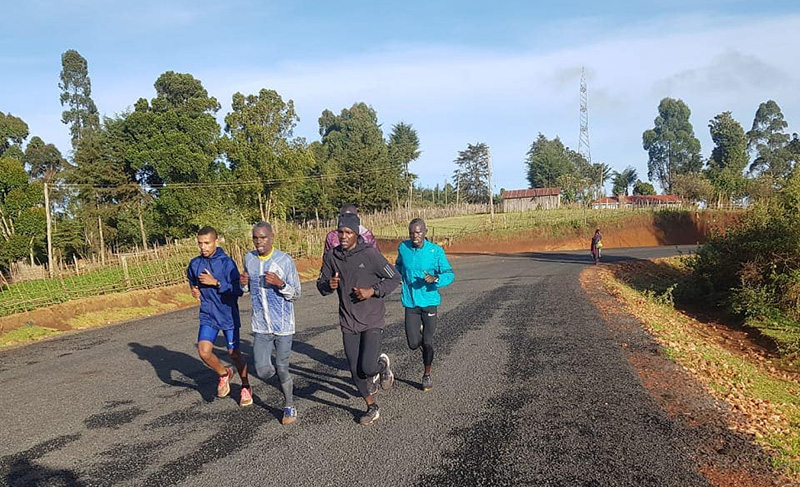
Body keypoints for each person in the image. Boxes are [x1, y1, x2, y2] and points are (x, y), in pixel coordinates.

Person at [317, 213, 401, 425]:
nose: (343, 236)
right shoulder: (331, 256)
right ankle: (371, 407)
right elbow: (322, 284)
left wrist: (372, 291)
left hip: (372, 318)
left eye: (348, 232)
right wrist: (329, 285)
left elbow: (394, 277)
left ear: (356, 234)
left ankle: (382, 366)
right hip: (348, 321)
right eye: (340, 232)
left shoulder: (370, 254)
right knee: (355, 370)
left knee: (367, 367)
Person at [240, 222, 301, 425]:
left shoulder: (284, 261)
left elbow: (296, 293)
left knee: (282, 367)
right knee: (263, 371)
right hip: (261, 325)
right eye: (255, 238)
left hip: (283, 325)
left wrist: (280, 284)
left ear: (272, 237)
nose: (259, 242)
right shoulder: (248, 259)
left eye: (263, 237)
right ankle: (285, 382)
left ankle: (289, 405)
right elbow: (247, 291)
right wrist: (243, 284)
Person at [186, 226, 250, 406]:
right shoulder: (195, 264)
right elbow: (192, 281)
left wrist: (216, 283)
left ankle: (246, 386)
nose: (203, 247)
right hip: (208, 314)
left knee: (234, 354)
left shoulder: (226, 263)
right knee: (203, 352)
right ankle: (224, 374)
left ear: (216, 241)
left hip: (227, 314)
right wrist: (194, 290)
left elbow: (238, 290)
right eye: (200, 244)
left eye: (207, 243)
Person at [395, 218, 455, 392]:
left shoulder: (435, 251)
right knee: (413, 343)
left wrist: (436, 279)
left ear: (425, 232)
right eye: (412, 232)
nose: (415, 236)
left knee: (427, 341)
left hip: (429, 302)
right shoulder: (403, 248)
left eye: (419, 232)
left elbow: (449, 274)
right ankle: (421, 339)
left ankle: (427, 374)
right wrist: (396, 277)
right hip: (410, 302)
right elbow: (398, 266)